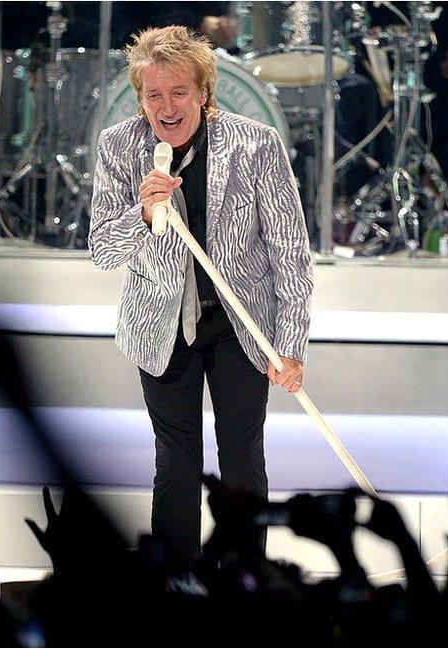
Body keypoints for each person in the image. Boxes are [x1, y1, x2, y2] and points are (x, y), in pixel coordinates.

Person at [89, 26, 313, 571]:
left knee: (241, 463)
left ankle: (246, 579)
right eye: (153, 95)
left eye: (179, 92)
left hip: (241, 325)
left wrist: (290, 344)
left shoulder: (255, 145)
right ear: (140, 99)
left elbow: (290, 252)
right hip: (161, 327)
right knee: (176, 465)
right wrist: (141, 213)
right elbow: (103, 249)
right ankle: (176, 585)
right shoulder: (120, 147)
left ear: (204, 93)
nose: (167, 107)